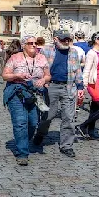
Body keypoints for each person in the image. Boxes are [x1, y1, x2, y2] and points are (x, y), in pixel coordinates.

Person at [33, 29, 85, 157]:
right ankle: (40, 133)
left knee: (69, 117)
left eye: (69, 39)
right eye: (64, 39)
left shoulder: (73, 52)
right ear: (55, 39)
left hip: (68, 87)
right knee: (48, 116)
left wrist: (80, 87)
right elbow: (38, 68)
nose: (67, 41)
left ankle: (66, 146)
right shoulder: (46, 51)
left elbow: (77, 70)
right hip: (51, 86)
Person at [2, 38, 50, 166]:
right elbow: (5, 75)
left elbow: (48, 75)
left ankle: (22, 140)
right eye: (30, 43)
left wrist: (44, 80)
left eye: (35, 43)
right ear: (23, 46)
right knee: (20, 122)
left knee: (33, 122)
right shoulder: (15, 58)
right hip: (17, 91)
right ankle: (22, 153)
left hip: (35, 93)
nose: (34, 45)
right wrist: (17, 76)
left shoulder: (41, 58)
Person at [78, 32, 99, 141]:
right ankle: (82, 126)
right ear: (95, 40)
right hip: (94, 83)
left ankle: (91, 131)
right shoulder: (91, 53)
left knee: (94, 109)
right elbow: (86, 70)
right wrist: (83, 86)